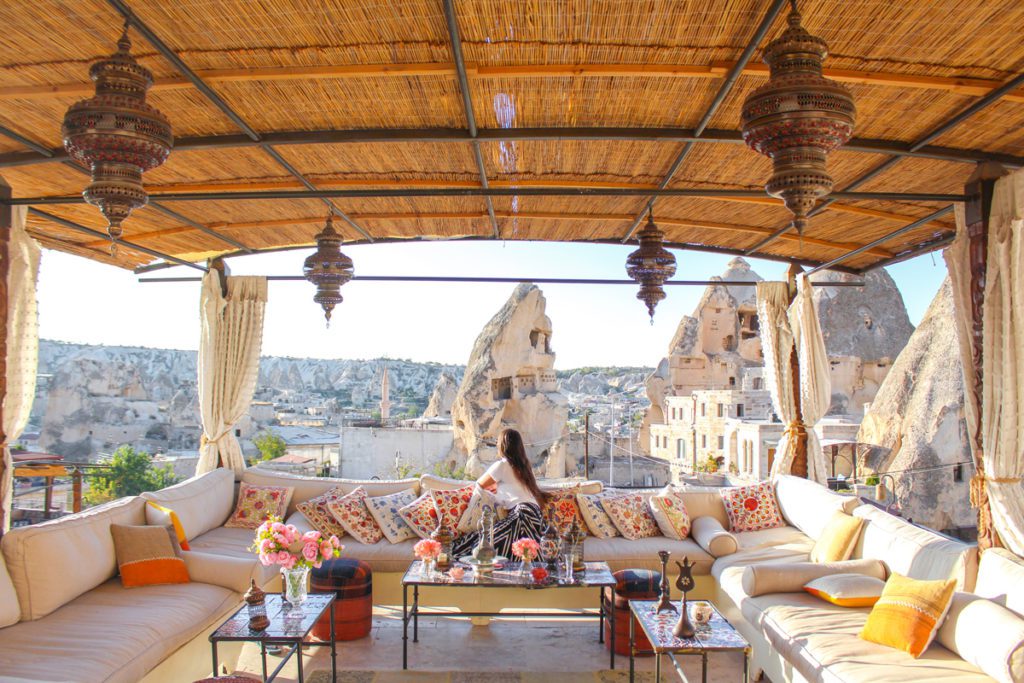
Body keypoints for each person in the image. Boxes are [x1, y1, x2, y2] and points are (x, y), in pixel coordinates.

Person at [452, 428, 548, 559]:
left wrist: (493, 492)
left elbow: (479, 485)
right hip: (535, 515)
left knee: (482, 543)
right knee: (519, 549)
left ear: (502, 446)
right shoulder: (525, 466)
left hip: (522, 515)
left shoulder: (502, 465)